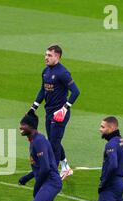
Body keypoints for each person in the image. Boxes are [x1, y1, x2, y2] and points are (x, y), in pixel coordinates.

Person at [27, 44, 80, 180]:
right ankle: (65, 167)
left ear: (57, 56)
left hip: (60, 114)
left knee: (53, 144)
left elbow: (76, 91)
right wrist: (34, 107)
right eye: (45, 55)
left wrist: (64, 108)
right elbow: (43, 90)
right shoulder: (45, 71)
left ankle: (53, 175)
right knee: (53, 141)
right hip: (49, 112)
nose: (46, 57)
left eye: (49, 55)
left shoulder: (63, 73)